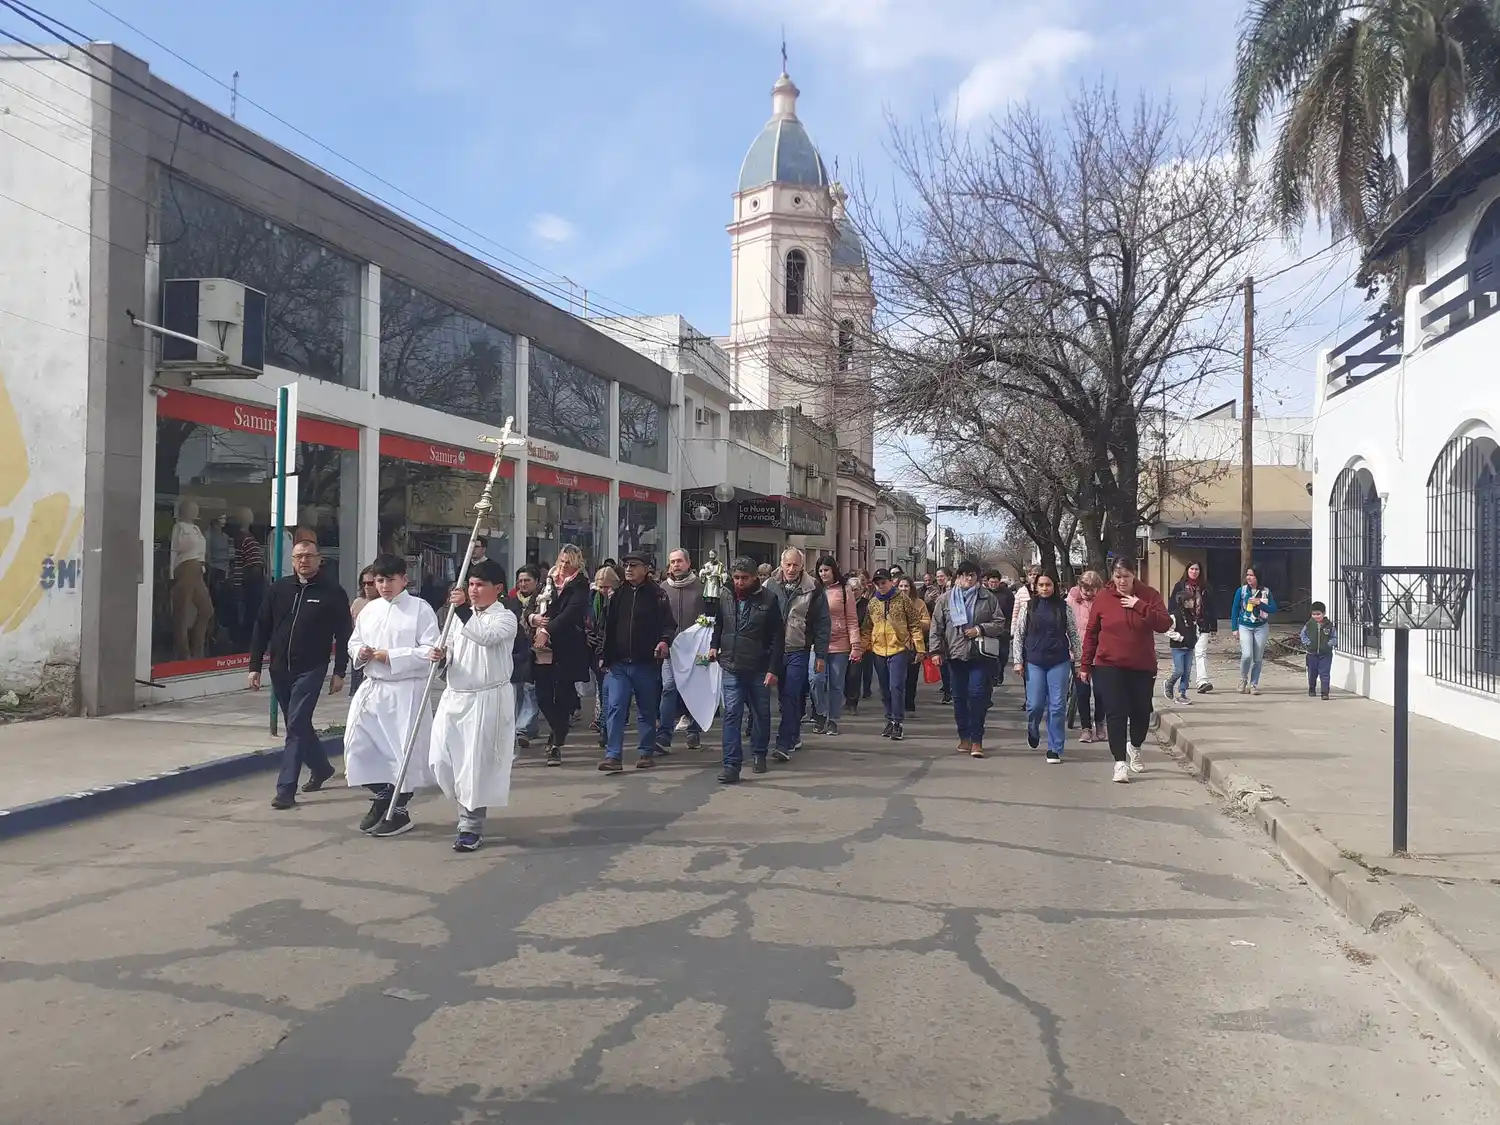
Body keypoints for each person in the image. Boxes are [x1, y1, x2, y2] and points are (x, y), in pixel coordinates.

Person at [249, 538, 351, 811]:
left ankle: (285, 790)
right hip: (281, 668)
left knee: (295, 725)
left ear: (319, 559)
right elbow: (262, 627)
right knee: (298, 724)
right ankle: (321, 767)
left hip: (312, 668)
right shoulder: (279, 589)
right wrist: (254, 666)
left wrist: (340, 670)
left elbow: (344, 634)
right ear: (292, 560)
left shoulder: (333, 592)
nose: (303, 561)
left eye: (308, 556)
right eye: (298, 557)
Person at [342, 554, 441, 835]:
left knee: (402, 754)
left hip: (406, 690)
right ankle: (384, 794)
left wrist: (391, 656)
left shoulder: (420, 610)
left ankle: (398, 811)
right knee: (357, 747)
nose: (384, 586)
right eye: (380, 580)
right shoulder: (369, 610)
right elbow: (355, 641)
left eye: (390, 580)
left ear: (404, 580)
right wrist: (359, 652)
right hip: (373, 689)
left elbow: (430, 651)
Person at [429, 559, 518, 852]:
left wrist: (464, 609)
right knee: (442, 760)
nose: (474, 590)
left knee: (474, 767)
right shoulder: (458, 617)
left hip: (486, 699)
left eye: (480, 585)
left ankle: (470, 826)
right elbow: (455, 648)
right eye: (471, 584)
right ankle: (463, 810)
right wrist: (442, 655)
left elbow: (485, 637)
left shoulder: (504, 618)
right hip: (455, 696)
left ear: (498, 589)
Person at [1080, 560, 1171, 783]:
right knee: (1115, 712)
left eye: (1126, 577)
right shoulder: (1103, 597)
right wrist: (1085, 664)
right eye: (1118, 577)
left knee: (1141, 712)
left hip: (1142, 665)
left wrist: (1139, 605)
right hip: (1109, 665)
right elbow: (1092, 633)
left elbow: (1164, 624)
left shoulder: (1149, 595)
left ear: (1134, 576)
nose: (1122, 582)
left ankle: (1135, 746)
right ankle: (1119, 763)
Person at [710, 557, 784, 783]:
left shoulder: (768, 599)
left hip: (759, 667)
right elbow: (720, 623)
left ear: (754, 578)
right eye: (736, 578)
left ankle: (759, 752)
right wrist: (714, 645)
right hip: (731, 664)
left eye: (744, 578)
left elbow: (777, 637)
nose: (740, 582)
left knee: (760, 713)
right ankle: (731, 765)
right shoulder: (725, 596)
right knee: (732, 715)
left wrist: (773, 668)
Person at [599, 553, 676, 772]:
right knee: (615, 706)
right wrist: (603, 653)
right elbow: (607, 626)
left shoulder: (657, 595)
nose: (629, 569)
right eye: (626, 565)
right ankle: (613, 756)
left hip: (646, 663)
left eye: (634, 565)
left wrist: (664, 641)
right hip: (619, 663)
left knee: (647, 709)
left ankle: (645, 752)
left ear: (646, 569)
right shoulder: (618, 595)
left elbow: (668, 625)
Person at [928, 560, 1006, 758]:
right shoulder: (945, 599)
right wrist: (935, 652)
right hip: (955, 655)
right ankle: (964, 737)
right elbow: (936, 627)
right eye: (964, 575)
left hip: (979, 654)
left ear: (977, 577)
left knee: (977, 696)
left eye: (972, 575)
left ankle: (977, 740)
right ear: (958, 577)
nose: (968, 579)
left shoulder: (987, 598)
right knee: (959, 698)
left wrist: (979, 629)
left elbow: (999, 623)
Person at [530, 544, 591, 765]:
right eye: (562, 561)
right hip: (541, 649)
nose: (564, 566)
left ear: (577, 563)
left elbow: (569, 613)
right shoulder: (547, 583)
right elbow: (530, 607)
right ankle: (560, 730)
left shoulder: (580, 585)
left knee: (563, 695)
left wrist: (546, 630)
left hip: (567, 647)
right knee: (543, 696)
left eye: (569, 562)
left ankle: (555, 742)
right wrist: (532, 620)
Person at [768, 548, 830, 762]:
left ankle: (783, 743)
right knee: (782, 700)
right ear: (781, 563)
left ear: (802, 566)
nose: (791, 569)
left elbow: (823, 624)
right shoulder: (769, 585)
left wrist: (820, 655)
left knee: (791, 694)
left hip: (799, 649)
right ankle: (793, 735)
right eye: (788, 564)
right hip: (774, 650)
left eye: (796, 565)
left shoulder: (814, 588)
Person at [1013, 572, 1081, 763]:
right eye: (1041, 585)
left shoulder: (1063, 608)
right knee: (1034, 705)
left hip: (1059, 661)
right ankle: (1032, 727)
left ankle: (1055, 748)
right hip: (1034, 661)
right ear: (1035, 586)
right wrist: (1018, 660)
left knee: (1057, 706)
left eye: (1048, 585)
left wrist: (1079, 662)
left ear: (1054, 586)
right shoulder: (1029, 607)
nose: (1044, 588)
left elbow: (1074, 635)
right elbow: (1019, 635)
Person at [861, 568, 927, 741]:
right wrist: (861, 648)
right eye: (877, 583)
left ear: (891, 582)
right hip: (878, 650)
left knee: (896, 685)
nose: (881, 586)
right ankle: (889, 718)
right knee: (884, 689)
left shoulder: (903, 599)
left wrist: (919, 647)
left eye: (884, 582)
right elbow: (867, 627)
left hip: (898, 648)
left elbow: (914, 624)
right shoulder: (873, 603)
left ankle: (898, 721)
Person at [657, 548, 706, 752]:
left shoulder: (701, 587)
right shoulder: (662, 589)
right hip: (670, 649)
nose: (675, 565)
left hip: (695, 649)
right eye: (672, 562)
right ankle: (664, 736)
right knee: (668, 688)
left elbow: (710, 616)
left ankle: (693, 730)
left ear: (688, 563)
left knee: (694, 690)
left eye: (679, 561)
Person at [811, 556, 861, 736]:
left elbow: (852, 619)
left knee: (836, 685)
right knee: (816, 680)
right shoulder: (813, 589)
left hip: (839, 644)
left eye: (826, 570)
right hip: (817, 645)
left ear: (833, 571)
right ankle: (821, 713)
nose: (823, 573)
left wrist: (855, 645)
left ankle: (832, 719)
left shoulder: (844, 589)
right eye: (820, 570)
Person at [1065, 572, 1104, 742]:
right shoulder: (1071, 600)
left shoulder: (1104, 600)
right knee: (1083, 692)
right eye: (1085, 589)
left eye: (1092, 589)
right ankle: (1086, 728)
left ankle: (1100, 723)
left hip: (1101, 652)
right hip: (1079, 653)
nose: (1088, 593)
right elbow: (1066, 625)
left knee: (1101, 691)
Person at [1170, 562, 1218, 693]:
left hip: (1202, 624)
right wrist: (1173, 622)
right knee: (1186, 653)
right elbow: (1172, 606)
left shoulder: (1205, 587)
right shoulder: (1180, 586)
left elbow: (1211, 607)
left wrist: (1213, 626)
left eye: (1197, 569)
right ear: (1187, 570)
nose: (1194, 571)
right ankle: (1184, 678)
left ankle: (1202, 681)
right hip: (1184, 625)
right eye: (1191, 568)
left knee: (1200, 652)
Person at [1230, 565, 1278, 695]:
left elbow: (1273, 609)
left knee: (1258, 658)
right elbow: (1235, 609)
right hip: (1245, 625)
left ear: (1258, 577)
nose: (1249, 577)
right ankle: (1243, 679)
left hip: (1261, 627)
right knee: (1246, 655)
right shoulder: (1242, 590)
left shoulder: (1266, 592)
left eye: (1252, 575)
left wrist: (1260, 603)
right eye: (1248, 575)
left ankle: (1254, 684)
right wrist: (1234, 628)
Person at [510, 564, 543, 747]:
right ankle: (529, 727)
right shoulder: (510, 601)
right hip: (516, 652)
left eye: (527, 580)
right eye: (520, 580)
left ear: (536, 582)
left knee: (531, 691)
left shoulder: (542, 600)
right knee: (518, 692)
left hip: (535, 651)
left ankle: (521, 729)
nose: (523, 584)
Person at [896, 576, 933, 716]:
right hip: (897, 645)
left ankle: (909, 705)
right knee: (897, 678)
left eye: (906, 586)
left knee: (911, 677)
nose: (904, 589)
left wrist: (913, 621)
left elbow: (927, 623)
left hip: (914, 645)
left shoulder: (919, 603)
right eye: (901, 586)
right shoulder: (892, 602)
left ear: (911, 588)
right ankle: (896, 706)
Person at [1164, 588, 1200, 705]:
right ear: (1184, 602)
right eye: (1190, 600)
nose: (1192, 603)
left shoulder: (1192, 615)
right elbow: (1167, 630)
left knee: (1187, 672)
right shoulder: (1174, 616)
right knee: (1179, 670)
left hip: (1189, 648)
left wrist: (1196, 637)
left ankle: (1182, 693)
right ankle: (1169, 683)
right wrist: (1179, 637)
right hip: (1178, 648)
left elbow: (1196, 628)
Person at [925, 569, 953, 703]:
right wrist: (930, 600)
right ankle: (947, 690)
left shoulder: (956, 594)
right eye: (938, 577)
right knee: (943, 664)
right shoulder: (934, 591)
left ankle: (952, 690)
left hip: (953, 635)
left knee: (952, 665)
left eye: (942, 576)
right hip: (939, 633)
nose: (940, 579)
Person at [348, 564, 376, 697]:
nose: (366, 587)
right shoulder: (358, 603)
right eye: (363, 583)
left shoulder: (386, 603)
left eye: (370, 583)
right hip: (360, 652)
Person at [1301, 600, 1337, 699]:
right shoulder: (1309, 624)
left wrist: (1328, 645)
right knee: (1312, 673)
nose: (1316, 616)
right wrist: (1308, 643)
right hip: (1311, 654)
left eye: (1318, 614)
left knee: (1325, 673)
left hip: (1325, 654)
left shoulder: (1329, 626)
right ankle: (1312, 688)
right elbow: (1303, 635)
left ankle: (1325, 693)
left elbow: (1334, 638)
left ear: (1323, 614)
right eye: (1314, 614)